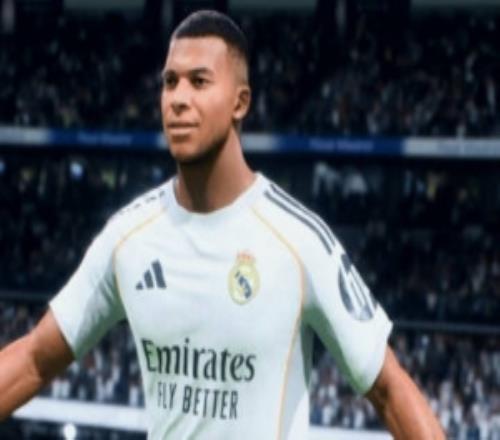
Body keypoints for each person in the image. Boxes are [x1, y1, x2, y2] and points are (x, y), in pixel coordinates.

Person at [0, 10, 445, 439]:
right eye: (170, 82)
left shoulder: (299, 241)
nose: (178, 99)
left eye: (199, 81)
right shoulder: (128, 237)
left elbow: (389, 389)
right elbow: (36, 359)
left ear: (240, 103)